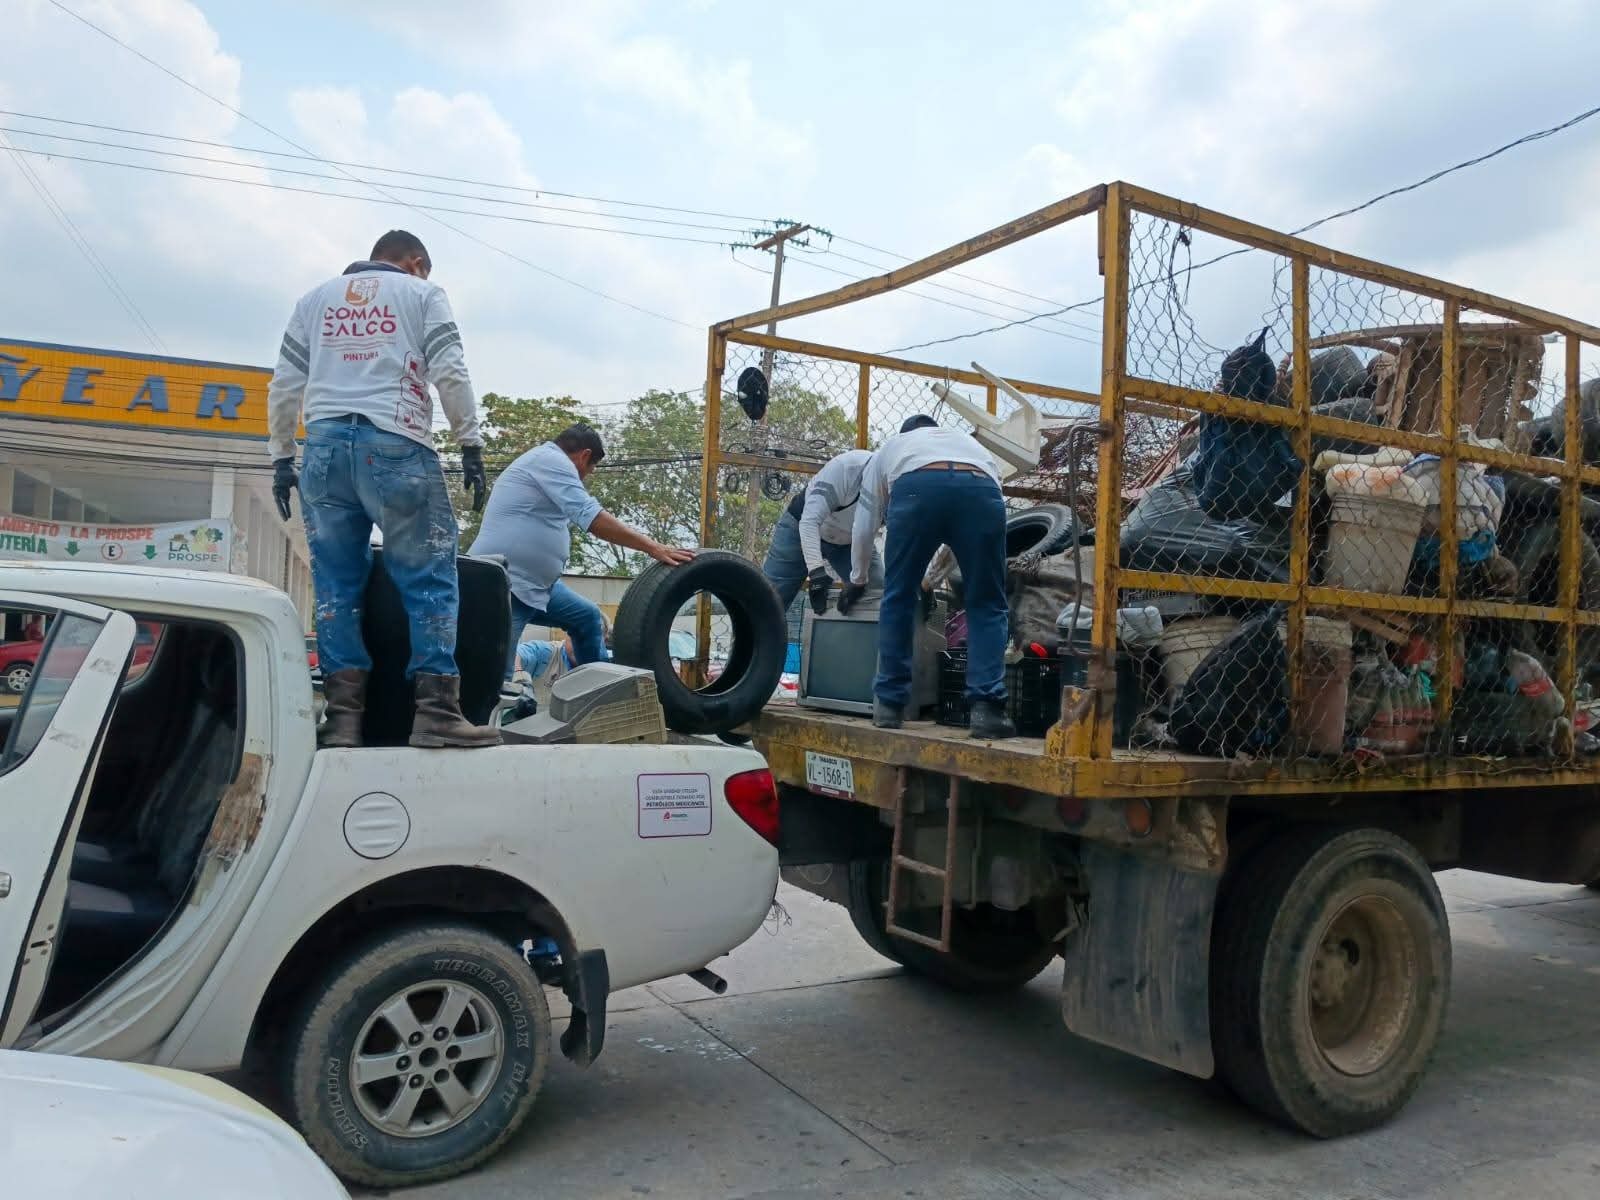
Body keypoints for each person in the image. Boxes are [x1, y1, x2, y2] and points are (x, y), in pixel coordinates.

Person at [267, 229, 498, 750]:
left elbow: (284, 383)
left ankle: (344, 721)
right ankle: (437, 712)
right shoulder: (423, 294)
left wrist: (283, 458)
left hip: (323, 450)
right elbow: (449, 370)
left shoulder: (313, 300)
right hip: (395, 443)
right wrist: (471, 444)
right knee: (429, 579)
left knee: (335, 588)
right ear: (415, 263)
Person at [470, 423, 693, 678]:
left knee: (587, 618)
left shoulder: (545, 466)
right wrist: (653, 548)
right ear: (585, 455)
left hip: (538, 585)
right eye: (591, 468)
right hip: (506, 584)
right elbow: (592, 518)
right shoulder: (551, 460)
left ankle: (598, 693)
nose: (588, 475)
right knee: (498, 674)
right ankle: (487, 712)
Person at [846, 414, 1014, 739]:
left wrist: (858, 576)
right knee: (988, 604)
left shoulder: (891, 448)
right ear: (935, 430)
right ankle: (987, 711)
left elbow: (864, 525)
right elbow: (985, 500)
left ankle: (889, 707)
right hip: (980, 488)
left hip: (916, 489)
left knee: (898, 597)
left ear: (906, 433)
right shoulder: (970, 444)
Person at [762, 448, 884, 615]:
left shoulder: (900, 486)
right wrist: (817, 572)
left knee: (877, 594)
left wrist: (922, 583)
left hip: (850, 542)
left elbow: (902, 543)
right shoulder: (845, 468)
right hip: (800, 530)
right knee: (768, 600)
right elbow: (809, 522)